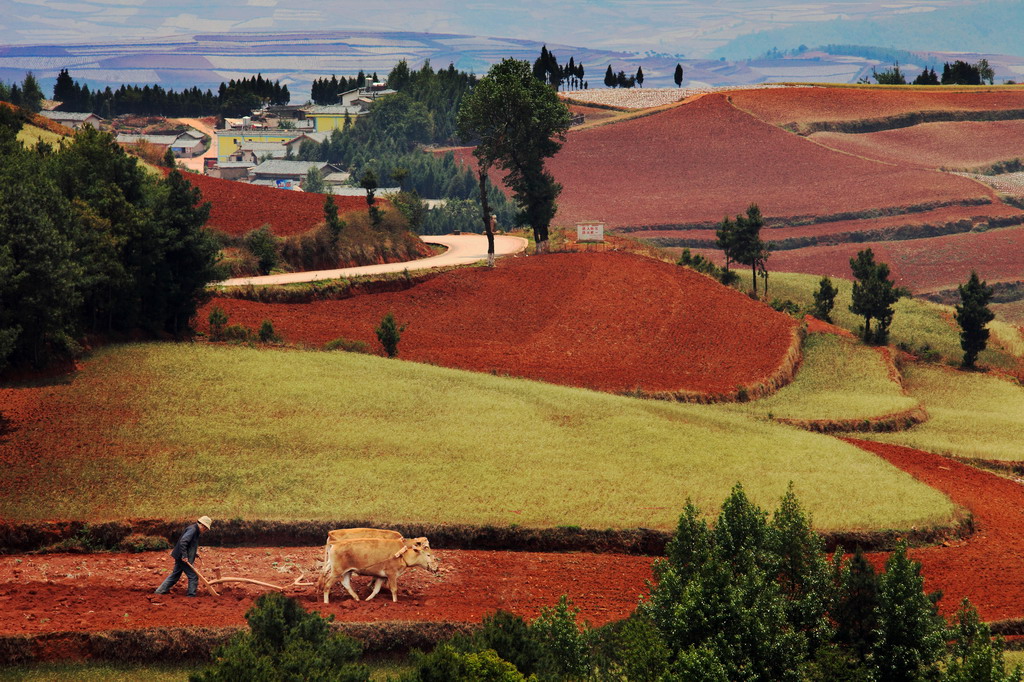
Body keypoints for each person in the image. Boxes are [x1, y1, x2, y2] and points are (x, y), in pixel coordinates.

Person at [155, 516, 212, 597]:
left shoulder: (195, 530)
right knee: (193, 576)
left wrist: (194, 552)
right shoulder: (193, 530)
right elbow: (183, 542)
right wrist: (184, 555)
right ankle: (191, 596)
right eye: (205, 528)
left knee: (175, 575)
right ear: (203, 525)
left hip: (181, 556)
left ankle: (159, 591)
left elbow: (190, 544)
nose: (205, 530)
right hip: (183, 558)